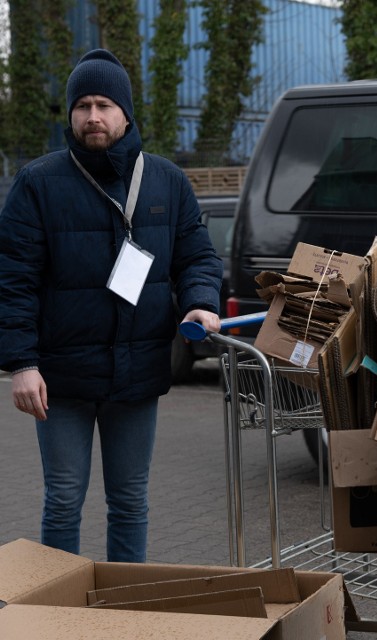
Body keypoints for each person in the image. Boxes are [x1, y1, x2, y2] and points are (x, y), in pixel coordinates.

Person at [0, 49, 223, 562]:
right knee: (62, 502)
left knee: (129, 502)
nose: (93, 116)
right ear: (71, 115)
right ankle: (60, 618)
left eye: (104, 104)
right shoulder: (38, 182)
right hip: (60, 379)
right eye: (82, 105)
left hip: (138, 372)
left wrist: (200, 303)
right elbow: (13, 279)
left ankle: (126, 615)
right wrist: (23, 363)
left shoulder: (167, 181)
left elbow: (198, 257)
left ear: (126, 113)